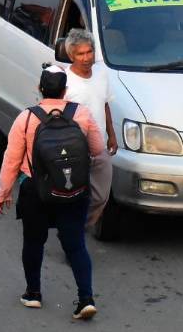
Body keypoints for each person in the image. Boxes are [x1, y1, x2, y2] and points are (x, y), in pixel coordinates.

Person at [0, 66, 105, 321]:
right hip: (73, 190)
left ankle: (33, 293)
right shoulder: (82, 114)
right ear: (65, 90)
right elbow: (98, 149)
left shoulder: (26, 118)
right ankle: (86, 299)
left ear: (40, 89)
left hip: (35, 191)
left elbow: (12, 159)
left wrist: (3, 192)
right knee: (76, 245)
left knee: (34, 242)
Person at [62, 29, 117, 230]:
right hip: (74, 150)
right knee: (74, 195)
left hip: (99, 147)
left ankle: (79, 226)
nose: (86, 58)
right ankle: (72, 231)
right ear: (71, 56)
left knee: (101, 196)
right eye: (80, 54)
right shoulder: (65, 80)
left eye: (89, 52)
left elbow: (105, 104)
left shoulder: (102, 73)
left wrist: (111, 135)